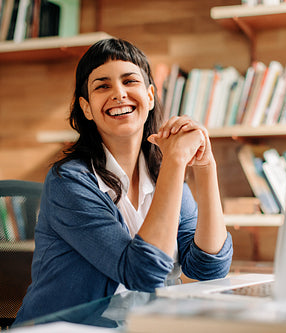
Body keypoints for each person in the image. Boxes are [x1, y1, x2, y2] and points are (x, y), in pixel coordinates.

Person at [14, 38, 233, 324]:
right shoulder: (69, 182)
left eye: (130, 81)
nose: (119, 93)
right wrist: (175, 161)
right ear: (87, 108)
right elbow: (143, 273)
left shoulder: (161, 174)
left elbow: (208, 268)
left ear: (150, 96)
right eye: (102, 86)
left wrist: (205, 166)